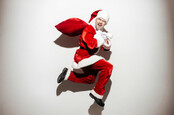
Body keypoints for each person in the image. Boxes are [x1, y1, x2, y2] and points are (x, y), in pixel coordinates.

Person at [57, 10, 113, 107]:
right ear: (96, 19)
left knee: (90, 79)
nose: (100, 22)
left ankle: (68, 75)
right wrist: (101, 39)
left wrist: (106, 43)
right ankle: (97, 94)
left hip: (89, 57)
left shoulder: (99, 32)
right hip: (83, 57)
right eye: (99, 19)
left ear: (105, 23)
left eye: (103, 21)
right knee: (108, 67)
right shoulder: (89, 28)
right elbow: (91, 44)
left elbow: (104, 48)